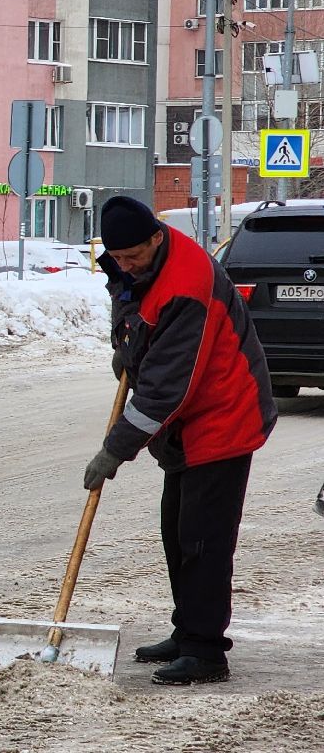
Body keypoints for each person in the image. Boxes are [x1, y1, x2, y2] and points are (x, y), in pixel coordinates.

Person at [85, 195, 276, 685]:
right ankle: (188, 630)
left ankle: (206, 651)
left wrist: (114, 450)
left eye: (133, 256)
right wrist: (129, 349)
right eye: (117, 257)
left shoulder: (186, 284)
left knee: (203, 541)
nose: (125, 265)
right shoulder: (136, 261)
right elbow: (132, 306)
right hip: (188, 425)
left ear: (156, 236)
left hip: (223, 415)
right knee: (177, 531)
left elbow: (166, 390)